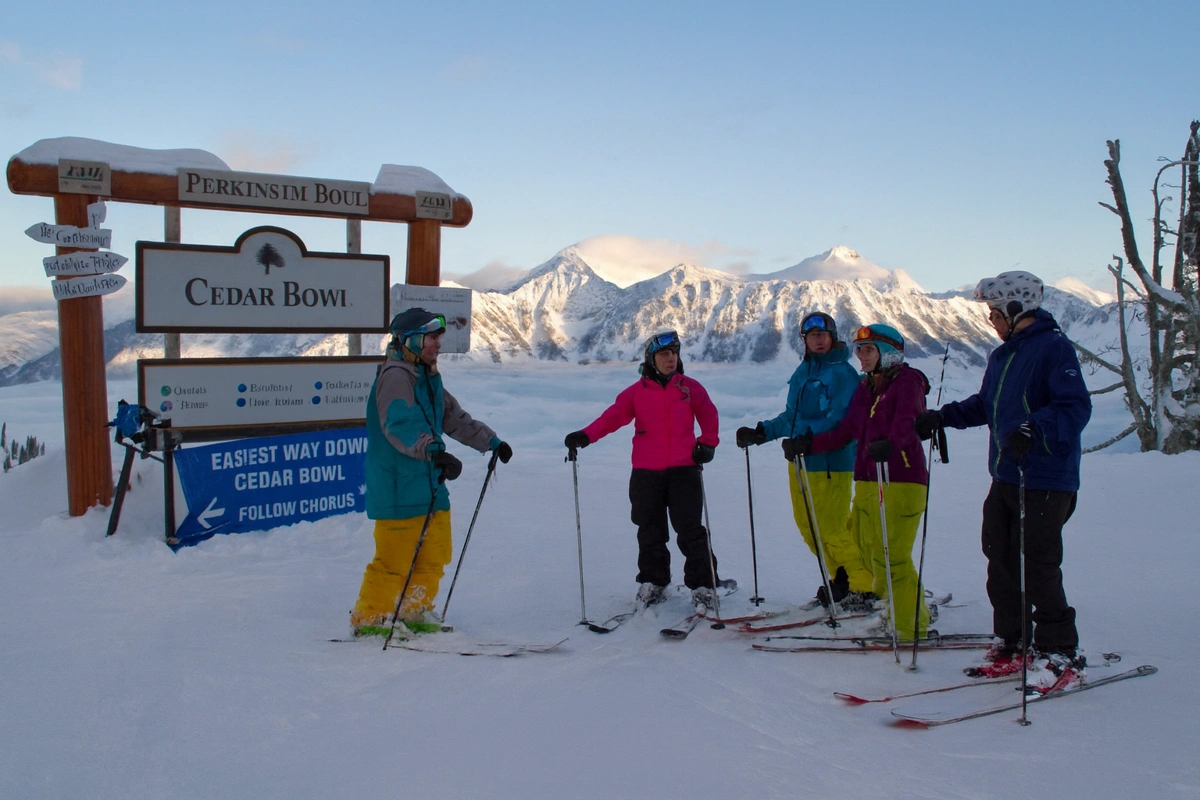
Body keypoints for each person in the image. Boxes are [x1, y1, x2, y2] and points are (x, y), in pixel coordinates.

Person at [915, 271, 1091, 682]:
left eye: (994, 313)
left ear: (1016, 309)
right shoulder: (1003, 355)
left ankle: (1060, 650)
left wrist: (1035, 428)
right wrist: (943, 417)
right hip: (1006, 475)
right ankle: (1013, 641)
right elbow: (987, 405)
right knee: (1000, 559)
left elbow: (1074, 407)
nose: (990, 321)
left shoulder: (1054, 348)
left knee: (1037, 564)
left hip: (1046, 478)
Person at [351, 307, 513, 637]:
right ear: (411, 340)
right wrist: (434, 450)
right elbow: (400, 423)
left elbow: (451, 416)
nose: (438, 343)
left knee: (435, 552)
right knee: (394, 560)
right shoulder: (396, 376)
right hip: (398, 485)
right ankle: (371, 617)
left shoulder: (427, 375)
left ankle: (413, 609)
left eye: (439, 336)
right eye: (432, 337)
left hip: (429, 484)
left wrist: (490, 441)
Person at [785, 324, 931, 641]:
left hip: (900, 479)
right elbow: (846, 430)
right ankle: (898, 611)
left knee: (892, 556)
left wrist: (891, 444)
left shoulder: (907, 382)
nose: (860, 356)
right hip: (867, 479)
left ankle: (909, 627)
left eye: (868, 350)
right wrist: (809, 445)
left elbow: (909, 423)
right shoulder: (867, 388)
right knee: (869, 553)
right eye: (859, 349)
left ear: (888, 354)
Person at [564, 330, 723, 610]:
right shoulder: (636, 393)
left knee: (690, 530)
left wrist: (708, 443)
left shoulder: (690, 387)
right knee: (649, 529)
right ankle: (654, 581)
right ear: (651, 359)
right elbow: (612, 418)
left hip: (684, 470)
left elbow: (709, 413)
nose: (670, 359)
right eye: (664, 354)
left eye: (674, 354)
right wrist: (585, 436)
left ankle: (703, 585)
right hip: (646, 473)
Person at [735, 311, 872, 609]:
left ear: (832, 337)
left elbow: (842, 422)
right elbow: (792, 417)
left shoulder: (842, 373)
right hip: (800, 463)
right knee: (810, 528)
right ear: (805, 341)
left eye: (823, 335)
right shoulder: (804, 372)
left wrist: (807, 441)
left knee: (832, 529)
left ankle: (865, 588)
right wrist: (762, 432)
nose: (818, 340)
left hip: (831, 465)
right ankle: (842, 580)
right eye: (812, 336)